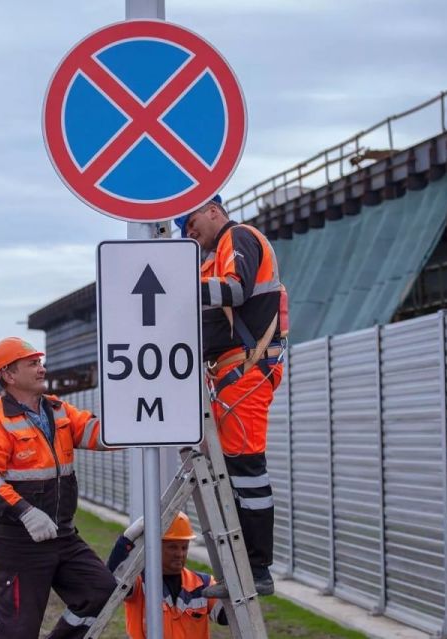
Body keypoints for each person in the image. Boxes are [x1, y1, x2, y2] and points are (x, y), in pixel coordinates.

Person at [174, 195, 288, 598]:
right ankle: (242, 569)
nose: (189, 234)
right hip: (229, 375)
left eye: (189, 224)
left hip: (246, 371)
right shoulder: (214, 255)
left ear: (213, 210)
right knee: (237, 471)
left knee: (247, 470)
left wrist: (178, 285)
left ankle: (256, 571)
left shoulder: (237, 237)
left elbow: (236, 291)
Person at [0, 336, 117, 639]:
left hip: (62, 535)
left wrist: (138, 427)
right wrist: (25, 513)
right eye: (33, 364)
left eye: (40, 362)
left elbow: (96, 433)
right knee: (18, 631)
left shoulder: (58, 410)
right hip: (18, 544)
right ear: (9, 375)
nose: (42, 369)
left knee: (101, 591)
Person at [107, 512, 226, 638]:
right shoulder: (139, 583)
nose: (179, 554)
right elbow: (110, 580)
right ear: (155, 547)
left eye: (184, 548)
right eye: (173, 547)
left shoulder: (203, 584)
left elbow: (226, 616)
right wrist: (126, 540)